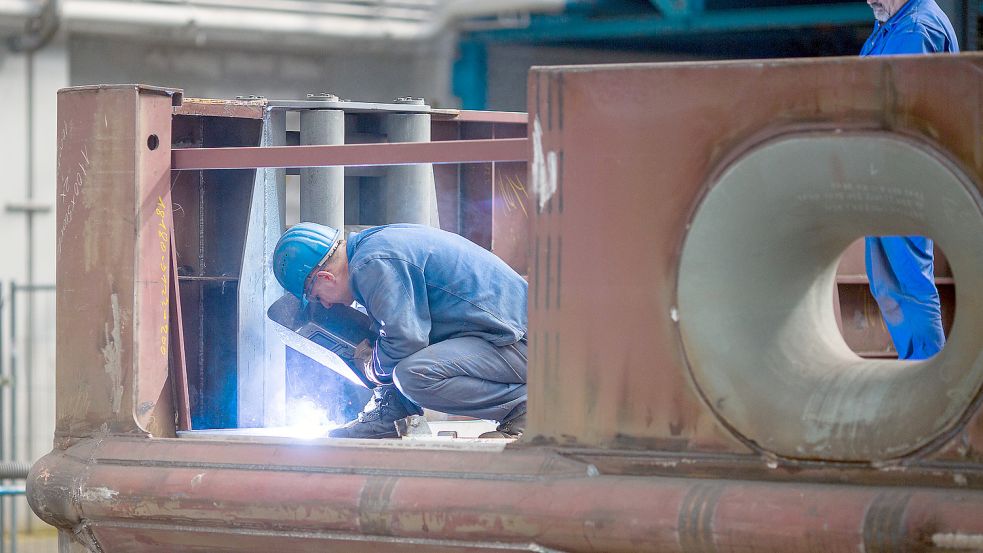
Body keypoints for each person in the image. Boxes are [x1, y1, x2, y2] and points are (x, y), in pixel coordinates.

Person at [272, 222, 528, 439]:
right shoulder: (372, 247)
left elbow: (406, 342)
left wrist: (371, 368)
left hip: (525, 345)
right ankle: (395, 411)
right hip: (511, 340)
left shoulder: (371, 264)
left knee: (414, 375)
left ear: (326, 277)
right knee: (394, 353)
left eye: (318, 297)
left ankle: (529, 408)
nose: (326, 304)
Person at [860, 0, 957, 359]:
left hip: (904, 178)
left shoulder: (918, 29)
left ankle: (930, 382)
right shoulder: (892, 26)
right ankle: (919, 373)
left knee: (909, 283)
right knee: (888, 284)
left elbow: (895, 111)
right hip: (885, 178)